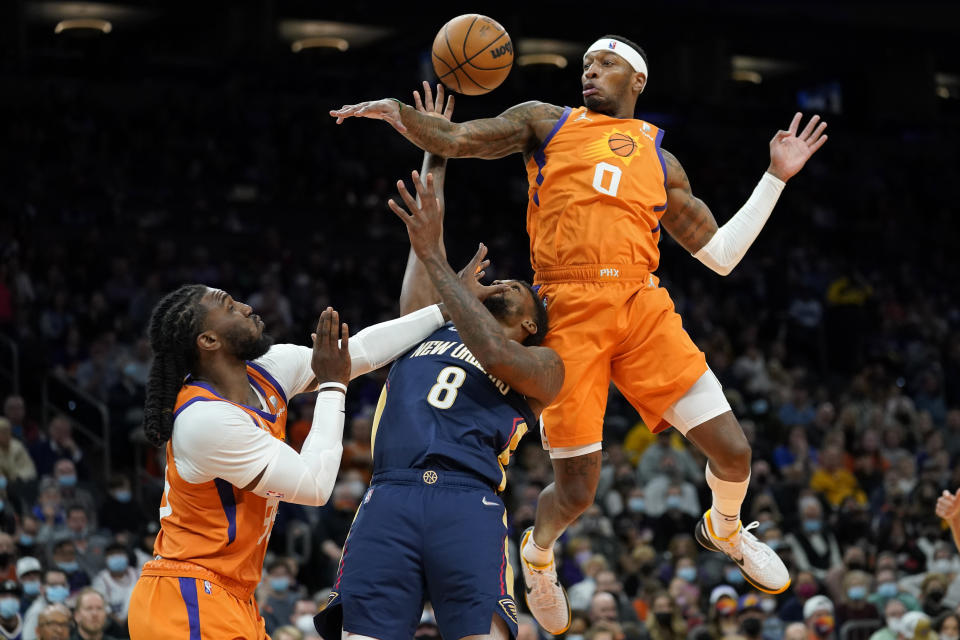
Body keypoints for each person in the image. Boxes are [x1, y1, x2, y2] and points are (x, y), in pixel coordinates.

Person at [331, 31, 827, 631]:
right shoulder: (545, 121)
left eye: (606, 64)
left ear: (638, 80)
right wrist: (399, 115)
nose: (589, 71)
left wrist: (775, 176)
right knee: (577, 491)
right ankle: (538, 557)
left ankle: (724, 528)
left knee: (735, 452)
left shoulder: (660, 158)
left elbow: (720, 254)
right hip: (565, 306)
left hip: (641, 304)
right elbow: (457, 139)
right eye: (587, 63)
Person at [315, 89, 562, 640]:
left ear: (530, 323)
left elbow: (489, 347)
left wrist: (444, 275)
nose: (500, 281)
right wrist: (437, 148)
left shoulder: (540, 363)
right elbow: (428, 229)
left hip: (466, 499)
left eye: (515, 287)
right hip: (390, 494)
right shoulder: (429, 323)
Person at [126, 282, 458, 639]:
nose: (244, 305)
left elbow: (360, 351)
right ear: (208, 341)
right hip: (186, 597)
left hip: (232, 595)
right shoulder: (203, 420)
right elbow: (314, 486)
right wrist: (333, 387)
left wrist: (448, 308)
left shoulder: (269, 369)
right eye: (228, 305)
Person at [90, 544, 136, 632]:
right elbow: (101, 606)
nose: (117, 557)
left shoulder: (138, 573)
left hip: (138, 619)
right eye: (112, 554)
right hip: (114, 626)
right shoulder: (101, 580)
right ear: (106, 559)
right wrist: (121, 624)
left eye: (120, 553)